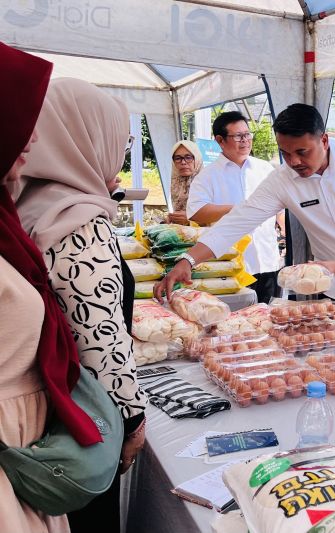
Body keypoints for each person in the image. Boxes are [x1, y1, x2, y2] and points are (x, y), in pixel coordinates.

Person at [15, 77, 147, 532]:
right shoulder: (77, 222)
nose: (119, 160)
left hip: (39, 411)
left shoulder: (22, 205)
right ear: (83, 138)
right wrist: (132, 423)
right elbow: (99, 340)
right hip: (82, 419)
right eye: (116, 144)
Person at [154, 104, 335, 340]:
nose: (294, 161)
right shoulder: (282, 179)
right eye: (285, 153)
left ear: (325, 140)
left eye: (302, 152)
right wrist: (188, 260)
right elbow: (236, 222)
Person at [0, 43, 101, 533]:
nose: (33, 136)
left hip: (24, 449)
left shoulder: (8, 216)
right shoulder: (80, 221)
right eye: (20, 115)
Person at [187, 111, 282, 303]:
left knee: (271, 319)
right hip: (231, 266)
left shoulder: (264, 169)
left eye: (247, 134)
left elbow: (279, 208)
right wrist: (240, 209)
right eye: (238, 136)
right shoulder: (208, 176)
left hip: (268, 259)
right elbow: (196, 212)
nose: (245, 140)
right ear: (220, 140)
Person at [167, 139, 203, 225]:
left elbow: (221, 217)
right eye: (178, 158)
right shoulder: (176, 183)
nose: (183, 162)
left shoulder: (208, 182)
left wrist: (192, 219)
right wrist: (172, 218)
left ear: (197, 159)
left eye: (188, 157)